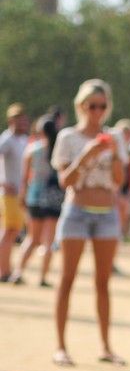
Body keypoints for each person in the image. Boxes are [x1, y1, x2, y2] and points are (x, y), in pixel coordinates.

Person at [51, 79, 127, 366]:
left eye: (102, 106)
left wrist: (115, 155)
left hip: (106, 212)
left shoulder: (115, 137)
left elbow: (119, 182)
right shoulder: (68, 137)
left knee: (103, 283)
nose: (97, 111)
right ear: (81, 106)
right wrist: (87, 155)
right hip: (77, 211)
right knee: (66, 279)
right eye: (92, 106)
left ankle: (105, 347)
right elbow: (65, 181)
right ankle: (60, 346)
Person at [12, 114, 63, 286]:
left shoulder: (32, 150)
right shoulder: (57, 149)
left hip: (35, 197)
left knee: (32, 238)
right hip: (54, 199)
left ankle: (19, 271)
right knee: (49, 240)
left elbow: (25, 178)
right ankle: (43, 277)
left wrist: (22, 196)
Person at [0, 104, 30, 281]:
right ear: (12, 121)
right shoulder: (7, 139)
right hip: (9, 193)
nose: (24, 123)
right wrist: (2, 182)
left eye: (26, 120)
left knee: (14, 231)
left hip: (19, 193)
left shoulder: (22, 140)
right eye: (21, 121)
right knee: (9, 230)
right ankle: (4, 271)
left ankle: (6, 268)